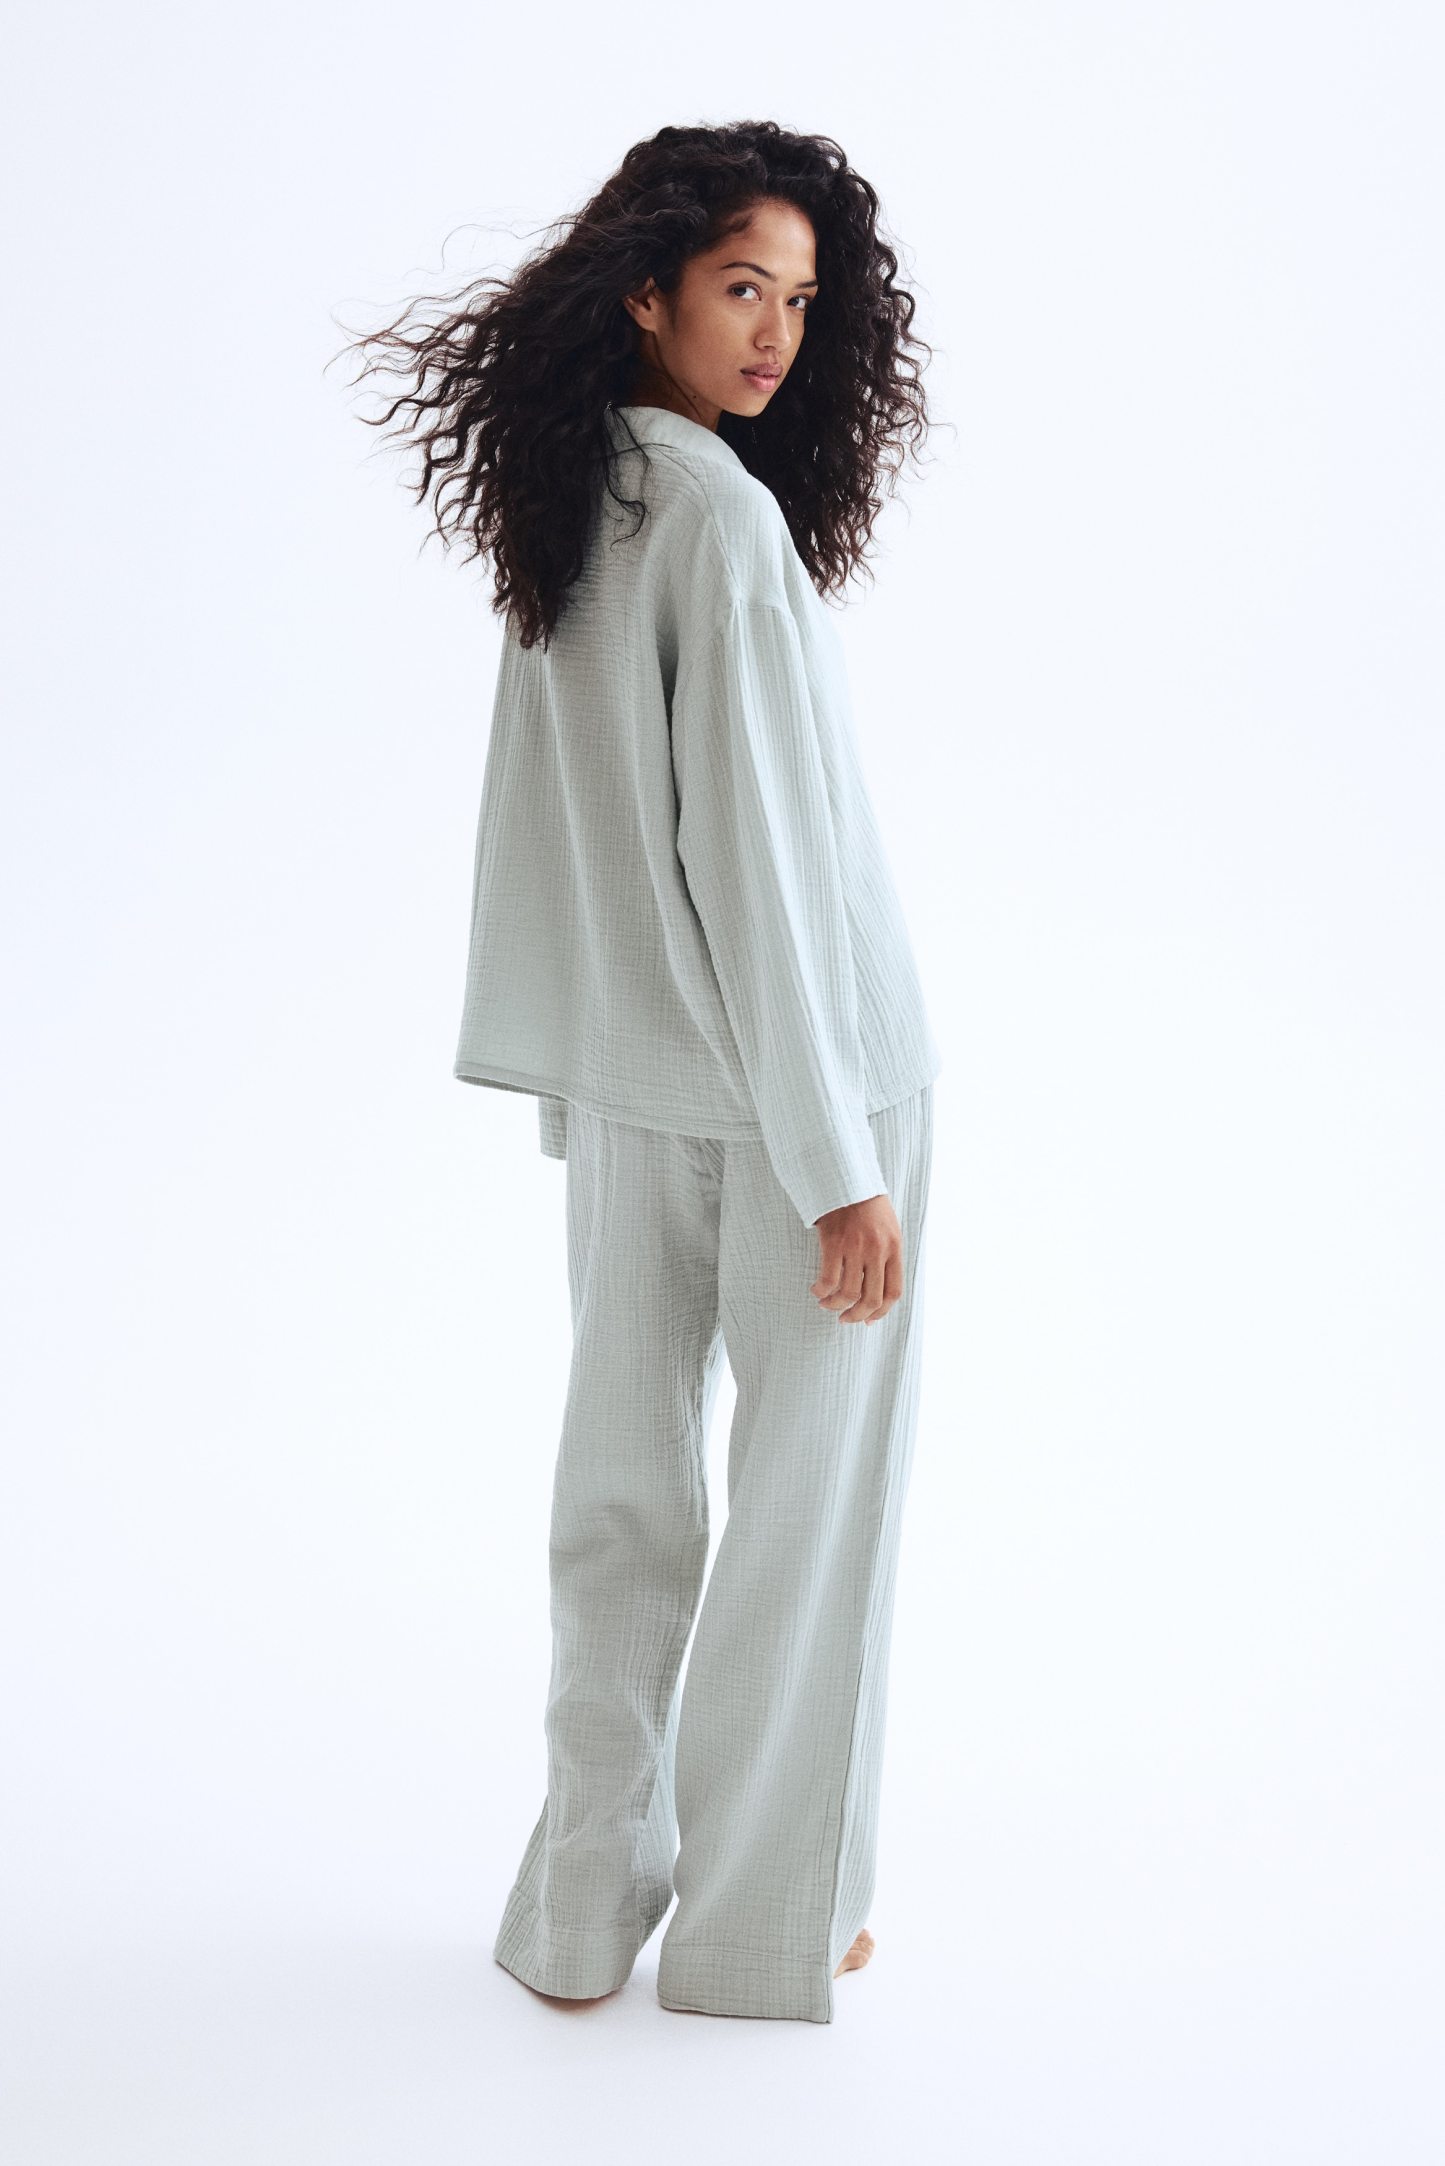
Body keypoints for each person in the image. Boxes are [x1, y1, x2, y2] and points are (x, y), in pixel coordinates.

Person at [347, 120, 942, 2025]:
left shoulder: (569, 495)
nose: (772, 333)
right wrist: (837, 1156)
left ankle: (578, 1910)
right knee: (804, 1520)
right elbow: (755, 862)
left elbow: (568, 837)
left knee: (619, 1497)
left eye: (799, 301)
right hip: (806, 1091)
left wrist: (583, 1072)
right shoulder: (720, 521)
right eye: (739, 287)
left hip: (634, 1083)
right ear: (646, 293)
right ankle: (762, 1930)